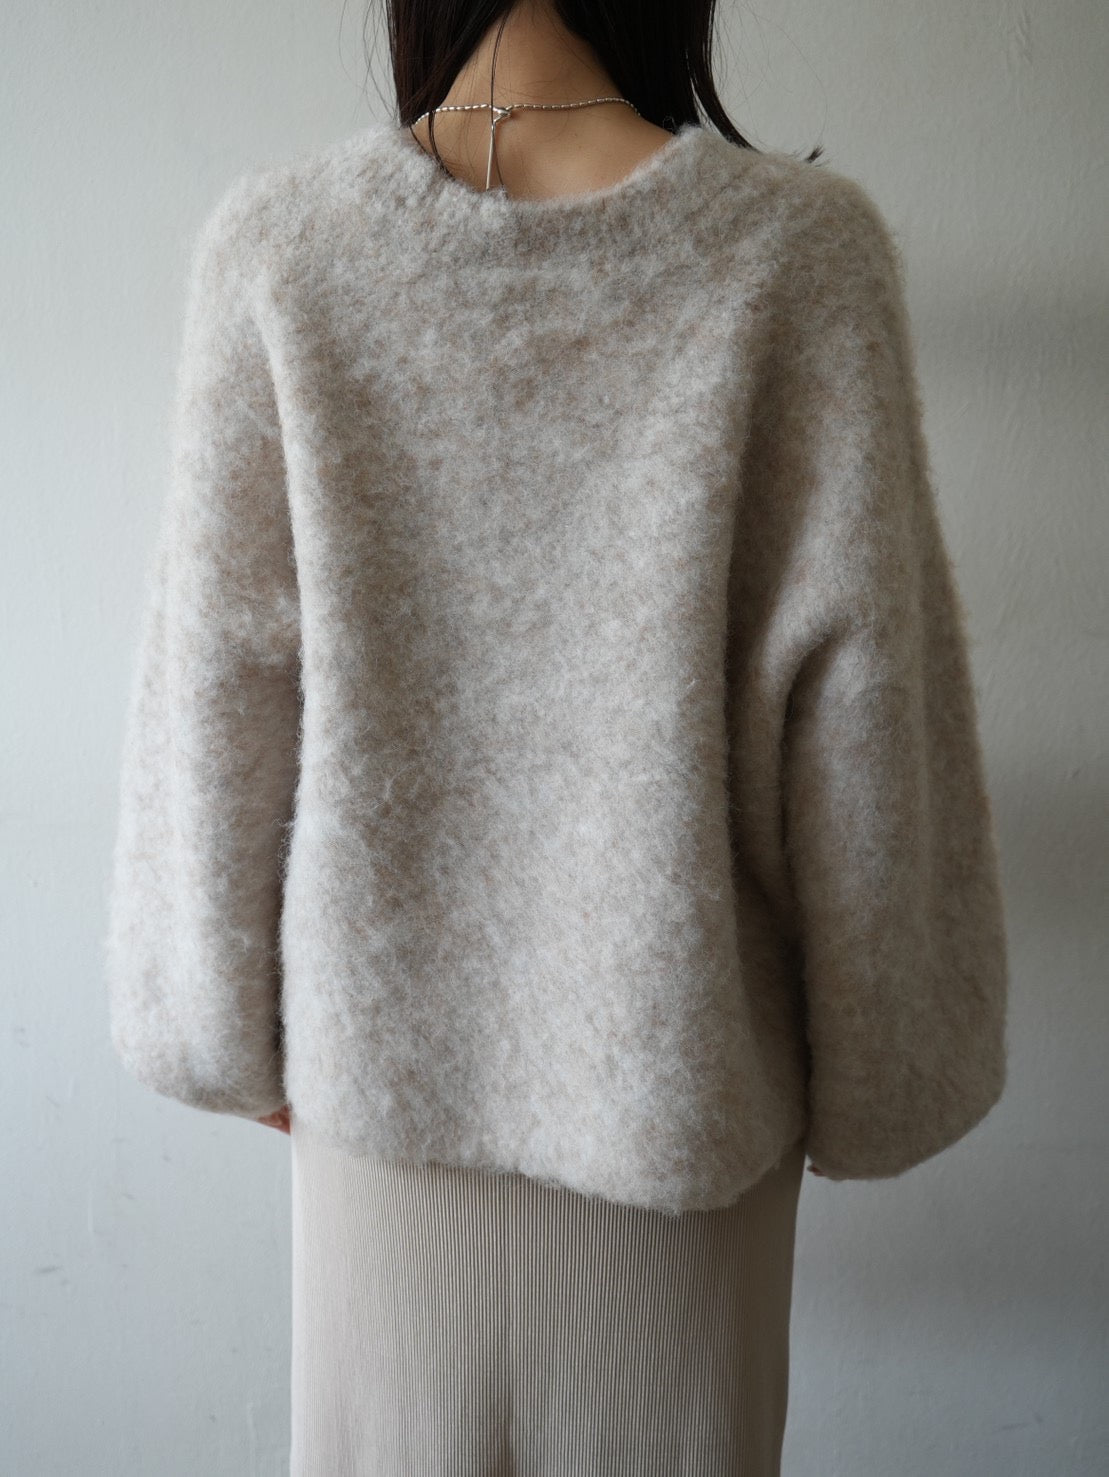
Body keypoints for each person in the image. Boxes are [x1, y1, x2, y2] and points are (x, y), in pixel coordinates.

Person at [103, 0, 1010, 1471]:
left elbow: (218, 696)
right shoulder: (798, 257)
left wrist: (227, 1033)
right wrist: (884, 1062)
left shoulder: (282, 252)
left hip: (379, 1125)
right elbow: (865, 721)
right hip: (685, 1121)